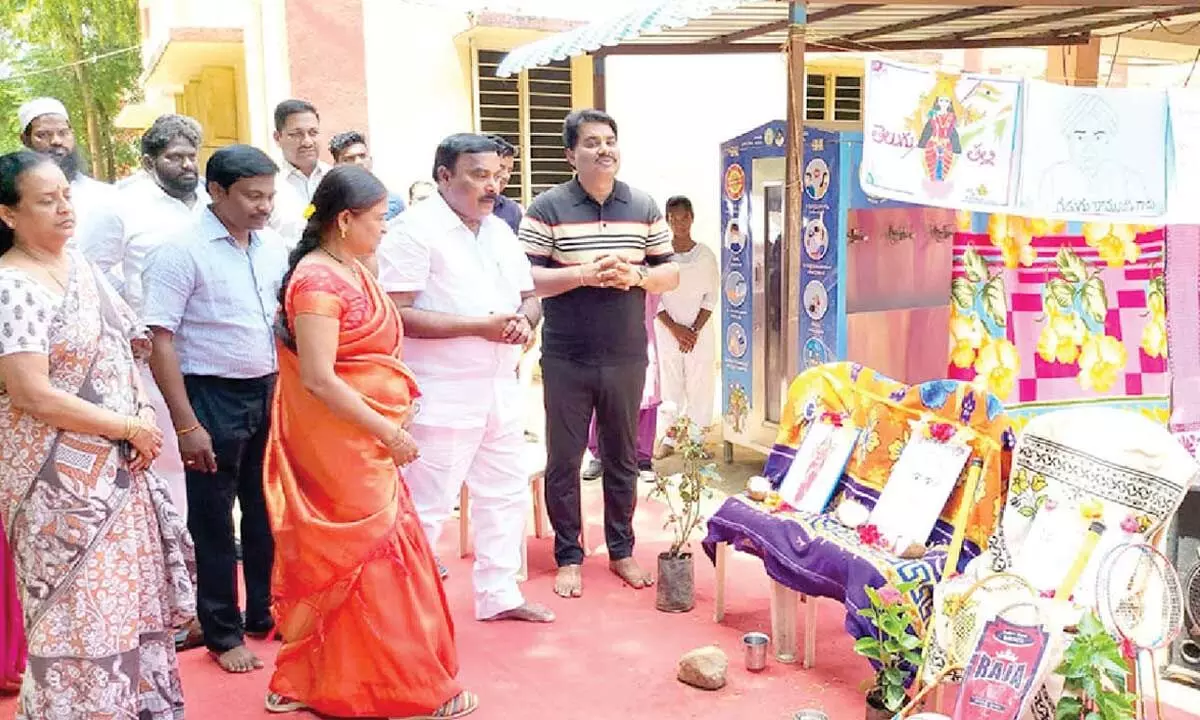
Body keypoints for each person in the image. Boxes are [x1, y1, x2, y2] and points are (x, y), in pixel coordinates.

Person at [263, 164, 477, 718]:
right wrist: (388, 429)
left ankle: (304, 678)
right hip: (343, 446)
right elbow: (318, 377)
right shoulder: (316, 281)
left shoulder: (351, 266)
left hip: (365, 438)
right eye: (379, 218)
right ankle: (404, 687)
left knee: (373, 554)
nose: (386, 227)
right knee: (368, 553)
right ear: (344, 219)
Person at [0, 150, 195, 718]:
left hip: (119, 476)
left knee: (128, 612)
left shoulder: (82, 267)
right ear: (8, 214)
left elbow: (123, 348)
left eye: (66, 195)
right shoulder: (13, 287)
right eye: (46, 200)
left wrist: (138, 414)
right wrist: (127, 425)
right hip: (57, 493)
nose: (65, 208)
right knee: (78, 621)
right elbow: (32, 393)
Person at [378, 133, 555, 624]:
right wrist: (480, 327)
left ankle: (499, 594)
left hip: (500, 385)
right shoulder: (412, 232)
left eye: (499, 176)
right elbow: (398, 314)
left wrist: (525, 319)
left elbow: (529, 294)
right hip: (442, 391)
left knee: (504, 493)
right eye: (479, 175)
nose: (492, 185)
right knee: (427, 504)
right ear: (444, 177)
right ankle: (401, 611)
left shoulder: (498, 230)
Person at [519, 109, 679, 598]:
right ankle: (569, 555)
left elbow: (668, 273)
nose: (603, 149)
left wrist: (637, 277)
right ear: (571, 154)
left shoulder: (645, 205)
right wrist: (583, 274)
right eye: (591, 143)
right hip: (566, 356)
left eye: (609, 140)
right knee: (565, 460)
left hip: (627, 354)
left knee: (622, 458)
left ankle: (622, 550)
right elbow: (525, 277)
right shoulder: (546, 208)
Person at [142, 144, 286, 674]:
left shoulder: (272, 248)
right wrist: (185, 424)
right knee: (213, 522)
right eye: (252, 196)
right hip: (209, 397)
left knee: (266, 510)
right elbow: (159, 339)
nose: (263, 206)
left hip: (268, 391)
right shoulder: (180, 251)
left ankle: (262, 612)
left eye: (269, 196)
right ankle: (222, 633)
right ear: (217, 191)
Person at [653, 195, 718, 457]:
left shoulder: (705, 255)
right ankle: (668, 438)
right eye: (674, 218)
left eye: (684, 217)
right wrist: (676, 329)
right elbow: (653, 297)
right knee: (670, 384)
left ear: (692, 218)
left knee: (700, 384)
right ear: (668, 221)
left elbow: (711, 297)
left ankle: (696, 441)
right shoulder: (659, 256)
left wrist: (693, 331)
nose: (680, 223)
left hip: (698, 332)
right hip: (668, 331)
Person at [16, 97, 117, 251]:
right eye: (43, 135)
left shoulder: (105, 195)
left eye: (63, 133)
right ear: (25, 140)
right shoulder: (15, 199)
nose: (56, 141)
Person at [582, 294, 662, 484]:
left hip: (641, 333)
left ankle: (642, 459)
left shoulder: (645, 267)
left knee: (646, 393)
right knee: (602, 393)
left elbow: (656, 296)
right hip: (605, 337)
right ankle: (598, 455)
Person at [270, 99, 330, 247]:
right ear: (278, 138)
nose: (307, 142)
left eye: (313, 133)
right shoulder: (268, 184)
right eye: (296, 134)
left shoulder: (334, 178)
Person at [328, 130, 407, 220]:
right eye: (350, 158)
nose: (358, 162)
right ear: (337, 166)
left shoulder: (393, 203)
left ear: (371, 160)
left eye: (362, 156)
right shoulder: (328, 204)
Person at [486, 135, 523, 233]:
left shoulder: (512, 210)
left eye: (510, 170)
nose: (506, 176)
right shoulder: (463, 206)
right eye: (501, 168)